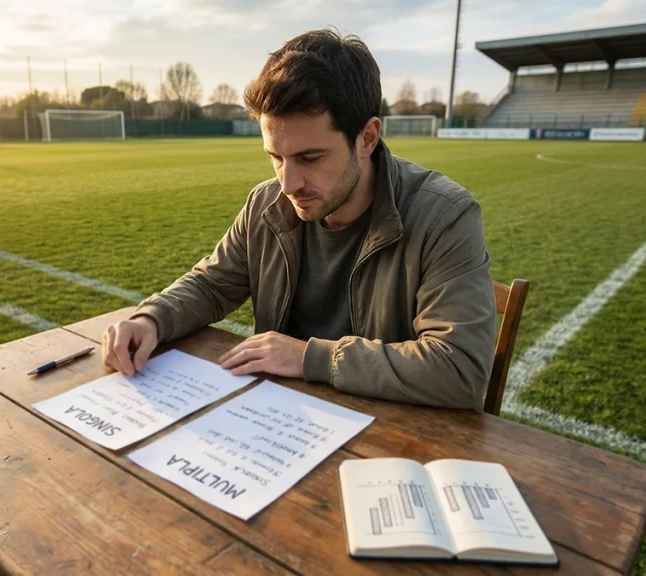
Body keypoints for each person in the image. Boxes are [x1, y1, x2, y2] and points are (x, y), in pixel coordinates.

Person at [102, 29, 496, 410]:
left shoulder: (444, 216)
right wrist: (153, 319)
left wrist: (310, 358)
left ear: (367, 138)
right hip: (277, 423)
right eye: (276, 157)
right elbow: (211, 286)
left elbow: (460, 370)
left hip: (389, 441)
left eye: (310, 158)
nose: (288, 183)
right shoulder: (266, 203)